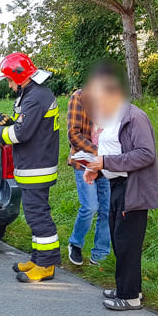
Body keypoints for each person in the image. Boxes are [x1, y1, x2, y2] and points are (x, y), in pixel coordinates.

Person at [83, 63, 158, 310]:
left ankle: (129, 297)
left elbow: (145, 154)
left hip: (133, 187)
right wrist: (94, 167)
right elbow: (111, 150)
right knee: (120, 241)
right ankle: (128, 288)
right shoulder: (114, 117)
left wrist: (104, 162)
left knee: (127, 242)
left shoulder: (134, 117)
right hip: (117, 183)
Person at [0, 53, 61, 283]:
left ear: (19, 77)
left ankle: (46, 266)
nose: (9, 85)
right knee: (34, 215)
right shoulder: (33, 93)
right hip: (34, 164)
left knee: (38, 216)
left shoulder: (35, 97)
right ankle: (38, 259)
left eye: (9, 80)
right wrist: (8, 122)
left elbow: (20, 134)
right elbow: (26, 127)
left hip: (37, 167)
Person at [66, 84, 110, 266]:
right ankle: (75, 243)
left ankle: (100, 255)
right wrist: (97, 152)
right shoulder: (79, 97)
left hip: (107, 162)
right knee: (90, 206)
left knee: (107, 210)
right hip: (84, 161)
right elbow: (73, 134)